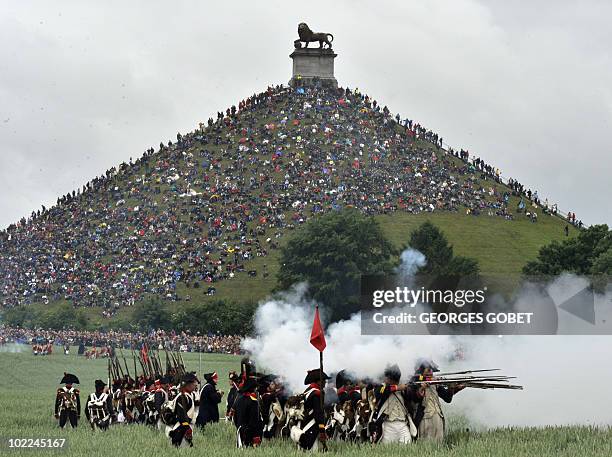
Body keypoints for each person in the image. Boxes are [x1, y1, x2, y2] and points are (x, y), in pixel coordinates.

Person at [410, 358, 464, 442]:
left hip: (438, 417)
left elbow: (447, 398)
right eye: (428, 370)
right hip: (424, 419)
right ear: (421, 372)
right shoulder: (415, 383)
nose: (431, 373)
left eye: (431, 370)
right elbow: (415, 397)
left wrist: (453, 388)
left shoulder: (435, 384)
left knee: (438, 445)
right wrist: (423, 386)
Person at [372, 364, 416, 444]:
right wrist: (397, 388)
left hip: (403, 423)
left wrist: (407, 390)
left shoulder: (403, 387)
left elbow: (411, 398)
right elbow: (378, 393)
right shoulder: (381, 388)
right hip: (388, 424)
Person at [293, 368, 329, 451]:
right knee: (313, 450)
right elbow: (318, 413)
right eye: (323, 381)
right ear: (318, 381)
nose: (325, 383)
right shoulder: (317, 394)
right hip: (312, 425)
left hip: (303, 424)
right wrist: (322, 429)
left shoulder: (308, 390)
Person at [167, 372, 198, 447]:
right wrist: (187, 428)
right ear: (188, 384)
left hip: (185, 427)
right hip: (181, 428)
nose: (195, 385)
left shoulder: (188, 395)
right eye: (194, 383)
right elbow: (181, 415)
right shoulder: (182, 397)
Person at [233, 377, 264, 448]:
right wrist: (256, 436)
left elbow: (235, 418)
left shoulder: (239, 399)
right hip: (250, 433)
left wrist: (239, 427)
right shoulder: (253, 401)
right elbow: (254, 421)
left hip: (240, 431)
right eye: (255, 388)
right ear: (253, 388)